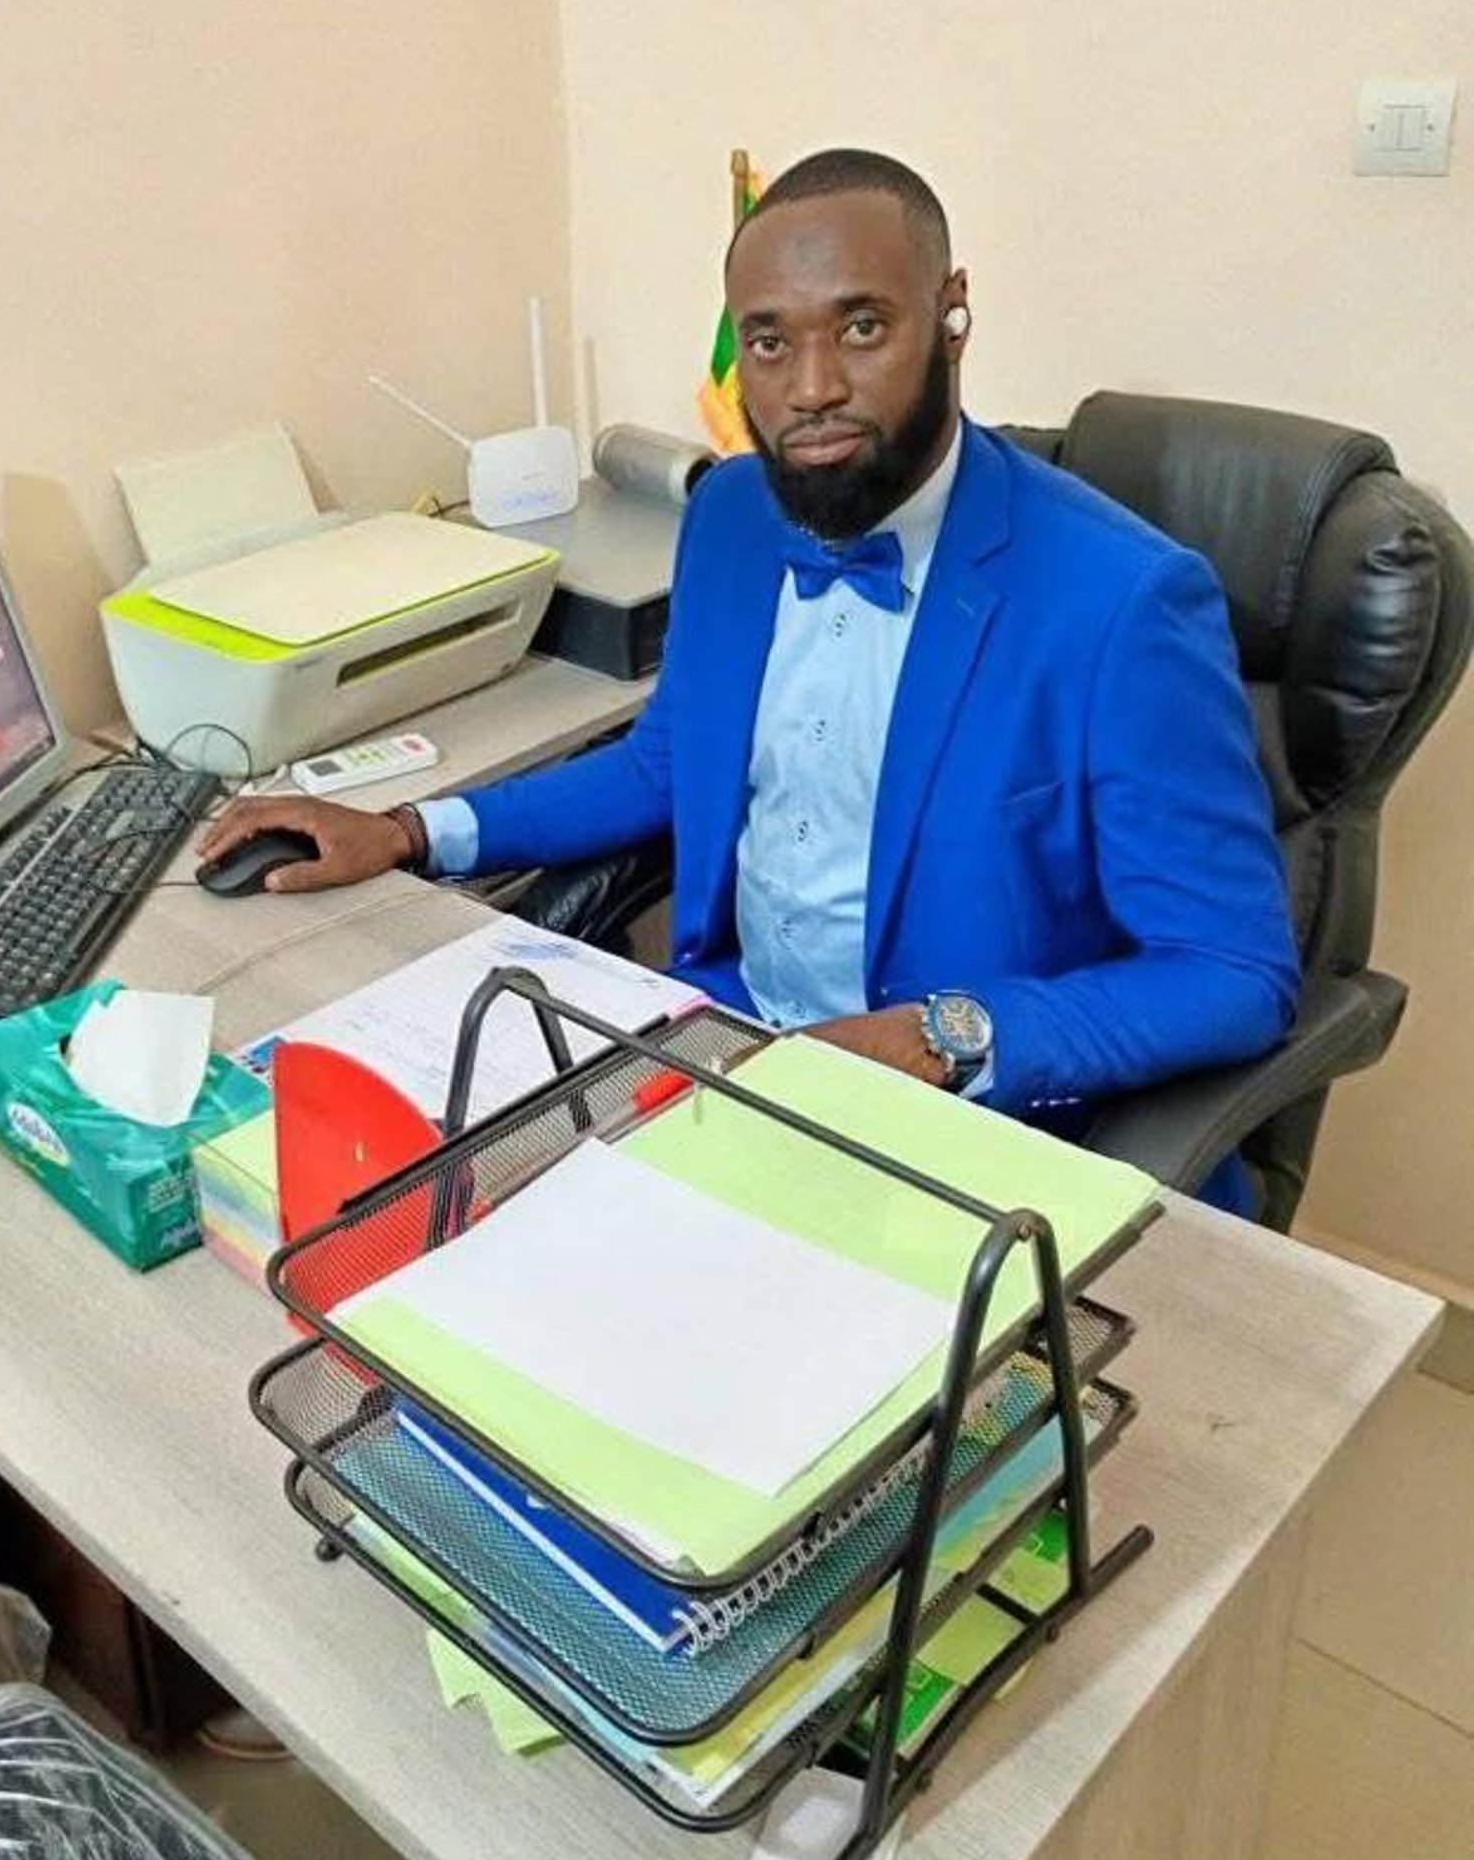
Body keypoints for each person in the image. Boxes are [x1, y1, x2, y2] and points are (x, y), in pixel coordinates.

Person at [198, 149, 1298, 1209]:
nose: (811, 388)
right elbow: (667, 762)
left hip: (963, 1137)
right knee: (372, 1204)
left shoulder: (1122, 602)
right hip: (726, 1050)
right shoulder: (730, 514)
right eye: (769, 343)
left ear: (952, 312)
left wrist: (941, 1037)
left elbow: (1230, 970)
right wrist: (408, 830)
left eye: (862, 327)